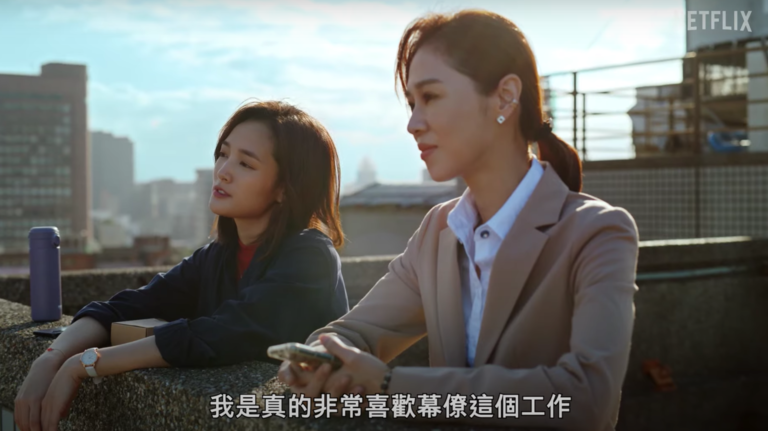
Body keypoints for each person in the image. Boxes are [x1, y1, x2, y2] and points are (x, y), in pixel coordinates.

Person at [278, 10, 639, 431]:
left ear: (505, 97)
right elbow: (357, 330)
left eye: (430, 97)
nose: (412, 123)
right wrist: (318, 360)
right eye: (412, 103)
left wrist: (391, 386)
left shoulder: (597, 232)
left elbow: (586, 400)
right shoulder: (439, 231)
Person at [15, 100, 349, 431]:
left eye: (245, 164)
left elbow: (218, 334)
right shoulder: (217, 256)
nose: (223, 171)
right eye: (223, 153)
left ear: (284, 189)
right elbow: (124, 307)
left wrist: (84, 364)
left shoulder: (310, 255)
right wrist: (51, 357)